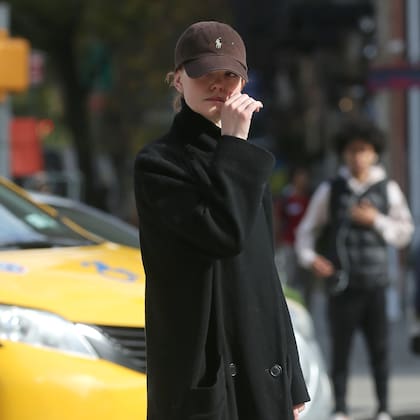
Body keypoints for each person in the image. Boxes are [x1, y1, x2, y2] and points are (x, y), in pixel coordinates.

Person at [133, 20, 309, 420]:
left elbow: (265, 269)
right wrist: (233, 145)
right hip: (202, 365)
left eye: (229, 74)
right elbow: (222, 234)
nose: (217, 84)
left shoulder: (246, 159)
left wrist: (293, 377)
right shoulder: (159, 164)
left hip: (259, 358)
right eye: (202, 73)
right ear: (177, 80)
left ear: (244, 83)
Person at [295, 118, 414, 420]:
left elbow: (405, 233)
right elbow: (305, 231)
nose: (357, 157)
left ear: (375, 153)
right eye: (351, 151)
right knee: (340, 351)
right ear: (344, 154)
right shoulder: (330, 190)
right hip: (341, 284)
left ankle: (384, 408)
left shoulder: (388, 189)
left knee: (380, 351)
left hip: (375, 283)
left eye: (363, 150)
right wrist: (312, 259)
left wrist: (375, 220)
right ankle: (340, 408)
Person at [274, 166, 314, 308]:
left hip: (307, 246)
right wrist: (278, 241)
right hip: (289, 244)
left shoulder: (311, 198)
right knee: (290, 279)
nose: (303, 180)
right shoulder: (286, 198)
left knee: (307, 281)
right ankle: (291, 308)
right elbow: (278, 220)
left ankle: (306, 308)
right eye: (300, 176)